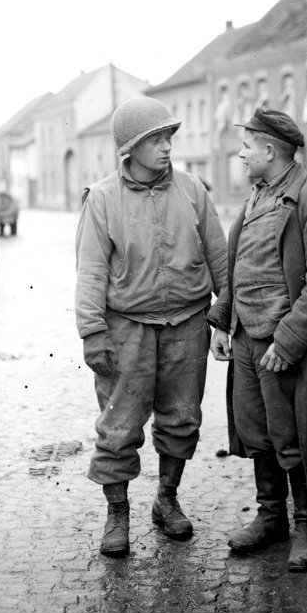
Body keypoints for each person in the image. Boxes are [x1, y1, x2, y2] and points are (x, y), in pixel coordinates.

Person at [208, 107, 307, 573]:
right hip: (248, 340)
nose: (241, 154)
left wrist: (289, 341)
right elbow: (240, 267)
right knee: (258, 433)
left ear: (271, 151)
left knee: (294, 437)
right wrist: (223, 322)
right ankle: (271, 516)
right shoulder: (257, 198)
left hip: (285, 348)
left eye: (247, 146)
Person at [75, 97, 227, 558]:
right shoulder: (102, 198)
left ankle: (166, 498)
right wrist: (92, 332)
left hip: (188, 323)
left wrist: (224, 318)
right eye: (156, 140)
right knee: (118, 427)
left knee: (182, 419)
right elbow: (90, 272)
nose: (166, 148)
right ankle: (117, 514)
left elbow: (220, 255)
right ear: (131, 148)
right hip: (127, 330)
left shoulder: (192, 190)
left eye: (168, 139)